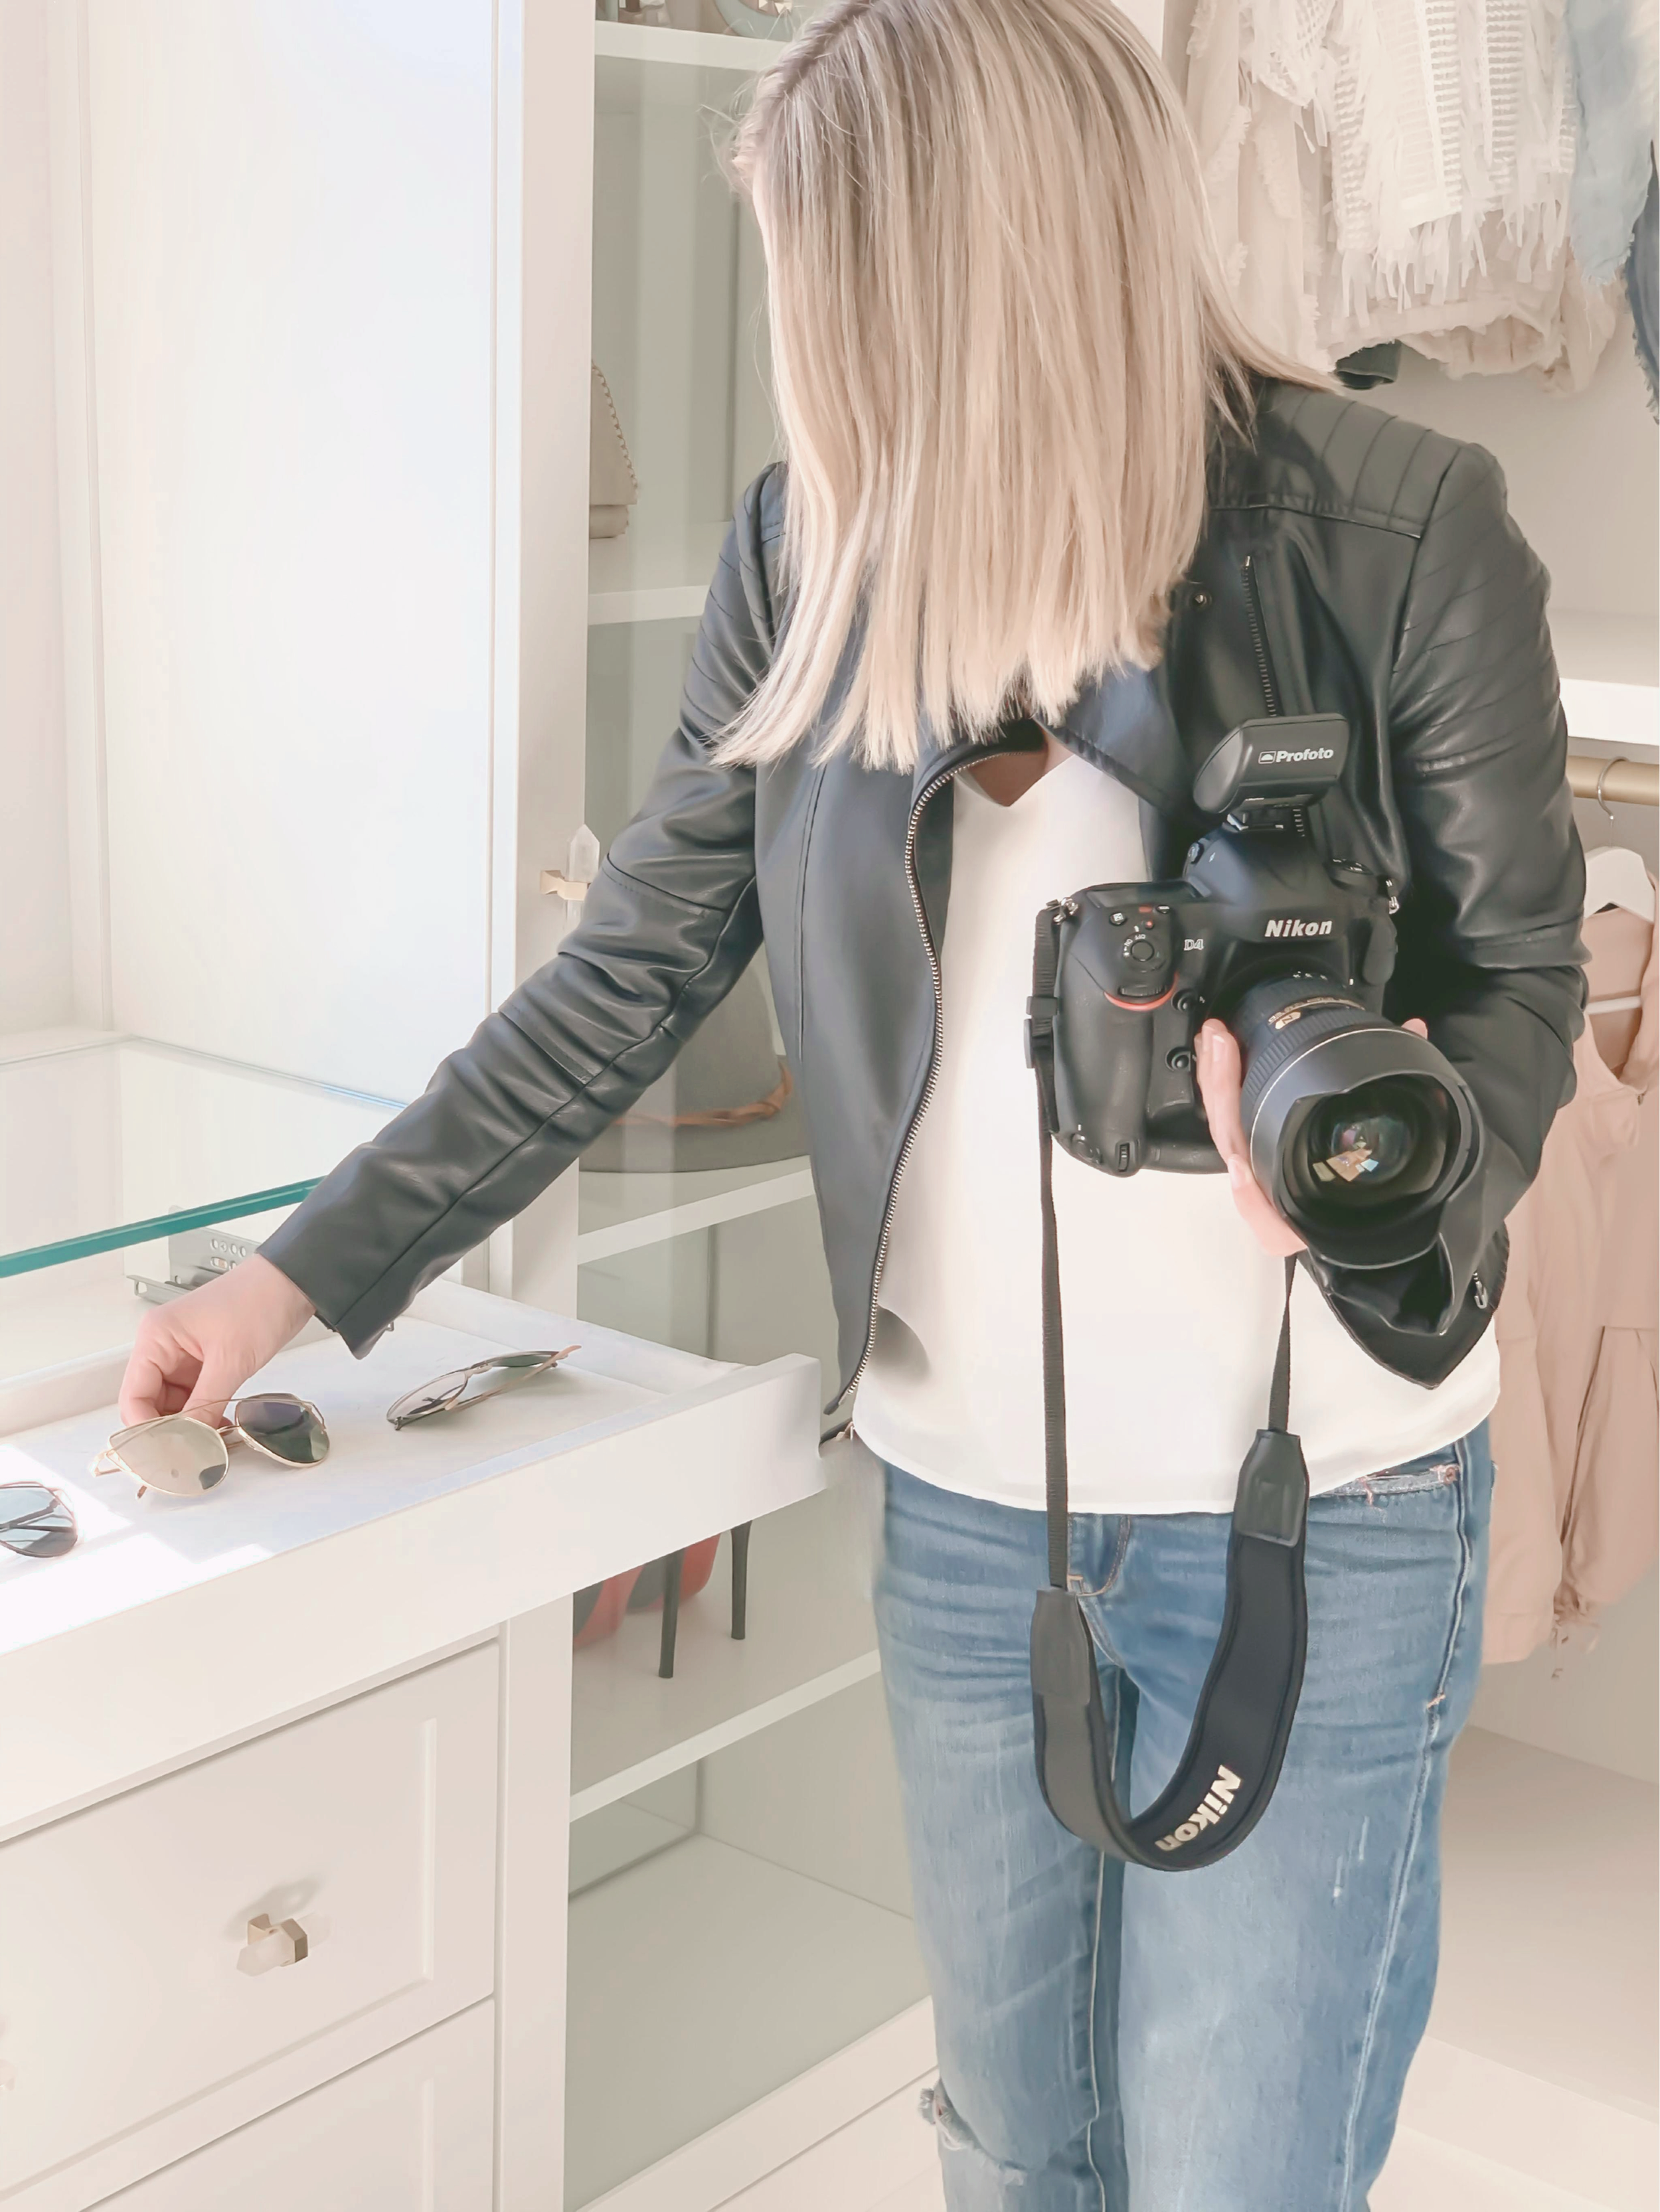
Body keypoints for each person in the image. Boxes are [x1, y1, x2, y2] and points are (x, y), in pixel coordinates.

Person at [117, 2, 1585, 2204]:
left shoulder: (1393, 531)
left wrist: (1386, 1160)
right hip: (964, 1511)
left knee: (1232, 2179)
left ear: (971, 276)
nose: (814, 359)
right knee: (1012, 2154)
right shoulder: (814, 551)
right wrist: (295, 1279)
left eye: (839, 292)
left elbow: (1518, 990)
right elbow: (624, 976)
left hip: (1324, 1506)